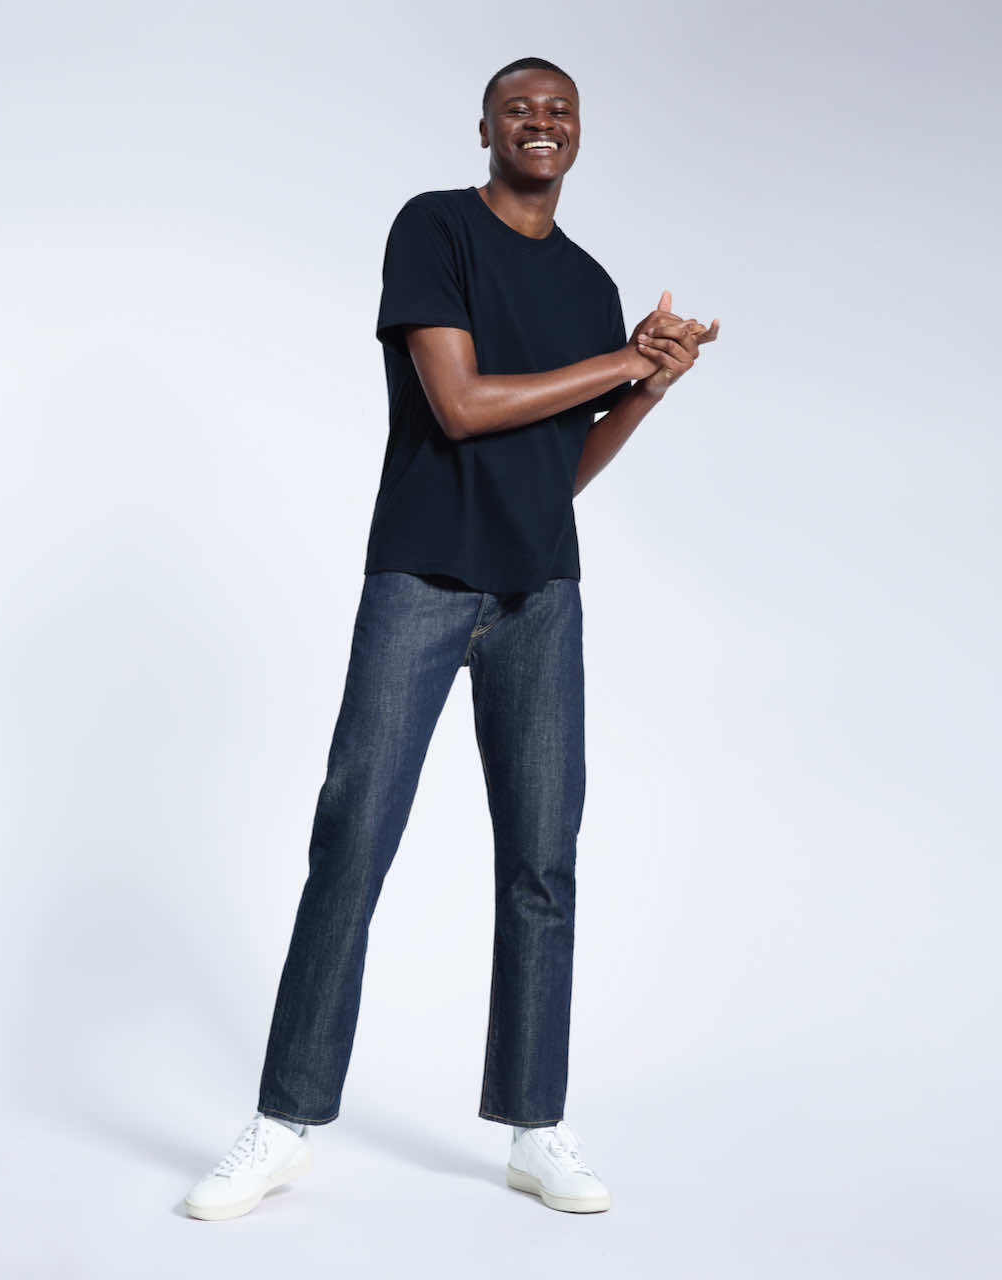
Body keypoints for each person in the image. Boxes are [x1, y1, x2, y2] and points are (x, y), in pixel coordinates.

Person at [184, 55, 718, 1222]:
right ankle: (280, 1123)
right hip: (422, 579)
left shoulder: (589, 283)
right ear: (483, 125)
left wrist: (647, 387)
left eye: (560, 109)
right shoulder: (434, 229)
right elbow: (462, 407)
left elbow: (556, 468)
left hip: (541, 594)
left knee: (541, 860)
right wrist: (624, 357)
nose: (541, 121)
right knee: (354, 838)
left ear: (581, 133)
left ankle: (535, 1125)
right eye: (520, 107)